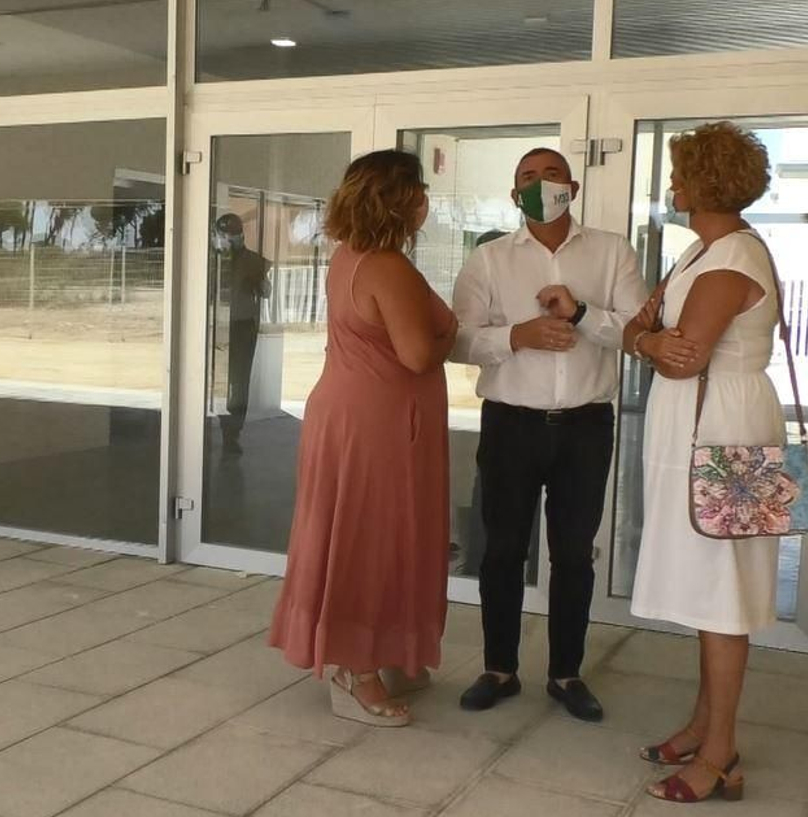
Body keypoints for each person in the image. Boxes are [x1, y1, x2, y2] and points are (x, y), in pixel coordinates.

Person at [451, 148, 646, 722]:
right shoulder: (488, 260)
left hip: (585, 426)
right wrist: (519, 335)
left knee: (573, 555)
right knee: (502, 550)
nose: (541, 185)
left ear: (574, 187)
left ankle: (566, 673)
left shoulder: (612, 252)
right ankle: (499, 668)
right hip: (511, 423)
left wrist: (583, 313)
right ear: (515, 196)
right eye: (528, 178)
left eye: (551, 175)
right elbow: (459, 340)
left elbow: (637, 331)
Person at [624, 121, 783, 803]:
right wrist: (649, 338)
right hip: (703, 428)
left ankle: (720, 753)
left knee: (724, 595)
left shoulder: (732, 260)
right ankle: (700, 724)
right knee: (706, 586)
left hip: (728, 436)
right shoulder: (699, 253)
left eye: (681, 172)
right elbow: (645, 330)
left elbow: (681, 350)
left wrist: (650, 338)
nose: (673, 183)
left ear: (707, 181)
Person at [268, 149, 456, 727]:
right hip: (377, 424)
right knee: (371, 538)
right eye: (419, 191)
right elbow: (419, 352)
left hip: (350, 411)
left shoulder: (348, 256)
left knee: (364, 532)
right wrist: (452, 333)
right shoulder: (388, 267)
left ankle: (381, 648)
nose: (427, 201)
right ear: (401, 201)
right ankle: (355, 670)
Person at [213, 213, 271, 456]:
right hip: (217, 327)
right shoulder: (212, 262)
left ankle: (232, 434)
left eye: (232, 235)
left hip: (243, 327)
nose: (228, 240)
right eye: (223, 235)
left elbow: (266, 292)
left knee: (239, 382)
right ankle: (209, 427)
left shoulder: (254, 261)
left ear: (241, 235)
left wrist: (259, 283)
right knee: (217, 381)